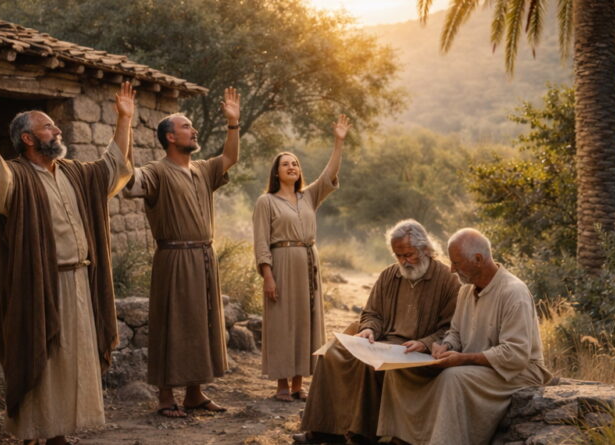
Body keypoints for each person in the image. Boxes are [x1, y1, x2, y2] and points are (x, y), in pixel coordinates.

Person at [0, 82, 135, 444]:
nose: (57, 130)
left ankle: (57, 434)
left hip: (81, 282)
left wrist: (125, 119)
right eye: (48, 127)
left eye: (55, 126)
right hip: (39, 285)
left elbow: (113, 166)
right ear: (27, 139)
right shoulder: (18, 176)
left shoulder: (76, 173)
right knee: (41, 358)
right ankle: (32, 433)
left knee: (70, 361)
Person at [122, 87, 240, 418]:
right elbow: (128, 179)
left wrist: (233, 123)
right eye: (186, 126)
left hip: (204, 257)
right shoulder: (156, 171)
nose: (194, 130)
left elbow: (230, 158)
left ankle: (194, 393)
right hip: (174, 258)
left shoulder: (203, 169)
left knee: (201, 323)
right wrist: (125, 121)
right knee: (172, 324)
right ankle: (165, 396)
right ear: (170, 137)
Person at [377, 228, 553, 445]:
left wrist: (464, 359)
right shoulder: (466, 291)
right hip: (476, 367)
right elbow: (456, 333)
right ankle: (402, 438)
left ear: (478, 259)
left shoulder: (513, 292)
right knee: (401, 370)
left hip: (518, 373)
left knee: (453, 378)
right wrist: (445, 346)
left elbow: (515, 355)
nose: (452, 269)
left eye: (456, 263)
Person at [294, 220, 460, 444]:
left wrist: (425, 343)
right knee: (332, 354)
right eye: (398, 256)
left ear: (426, 250)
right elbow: (372, 313)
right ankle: (325, 430)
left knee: (370, 366)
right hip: (383, 342)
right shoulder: (389, 275)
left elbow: (451, 328)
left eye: (408, 255)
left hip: (417, 352)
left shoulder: (448, 280)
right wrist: (368, 330)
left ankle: (362, 435)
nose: (403, 261)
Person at [252, 115, 351, 402]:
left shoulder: (309, 197)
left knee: (306, 320)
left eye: (295, 163)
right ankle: (282, 383)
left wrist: (338, 142)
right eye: (285, 164)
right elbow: (261, 240)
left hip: (309, 262)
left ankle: (298, 383)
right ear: (276, 172)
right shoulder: (266, 201)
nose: (292, 167)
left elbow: (329, 174)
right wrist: (267, 275)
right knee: (282, 321)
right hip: (281, 263)